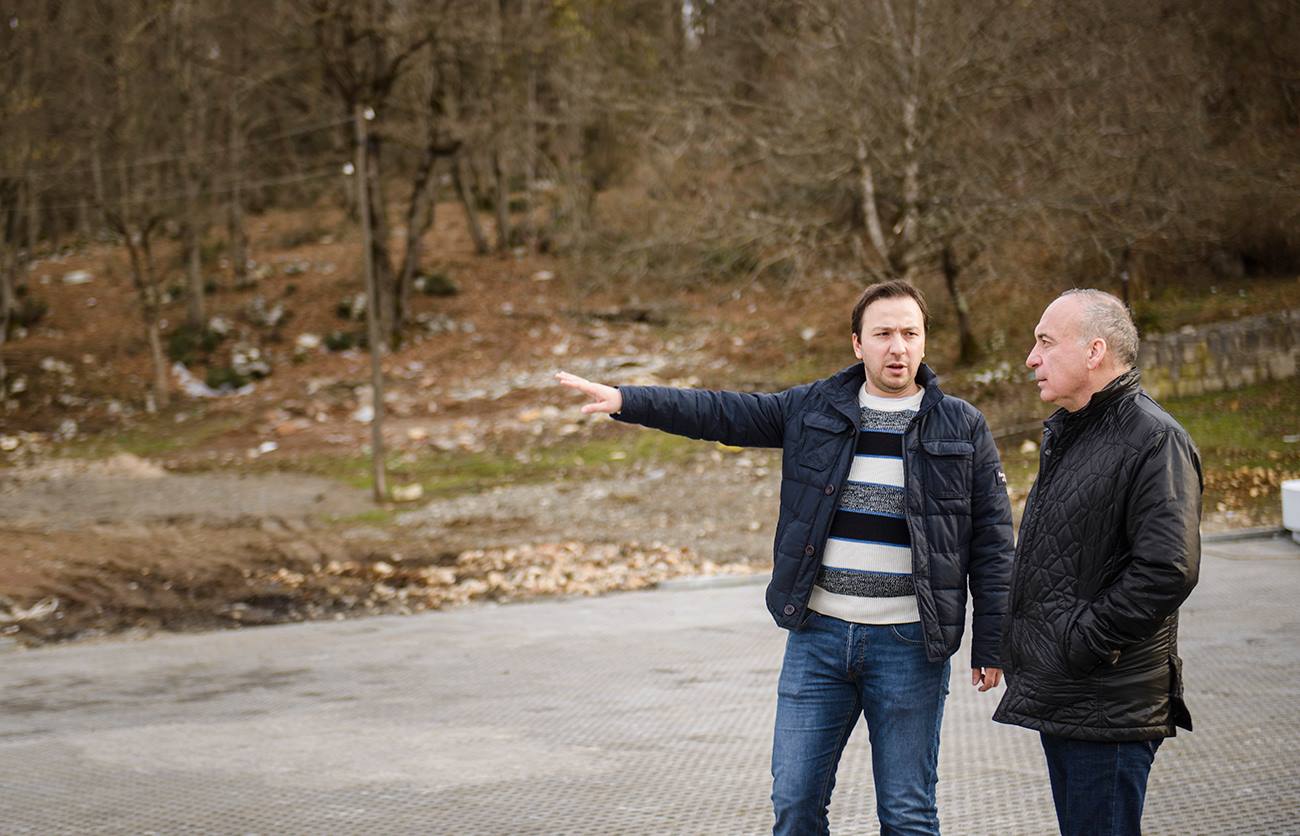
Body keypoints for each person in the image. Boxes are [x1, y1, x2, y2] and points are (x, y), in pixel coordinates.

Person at [557, 280, 1014, 835]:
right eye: (883, 334)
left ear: (924, 341)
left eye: (910, 334)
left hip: (909, 646)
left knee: (907, 813)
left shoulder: (962, 426)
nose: (898, 348)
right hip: (818, 639)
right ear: (857, 344)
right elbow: (721, 413)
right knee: (795, 803)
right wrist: (628, 400)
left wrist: (992, 642)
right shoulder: (812, 408)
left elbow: (993, 544)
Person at [994, 289, 1201, 836]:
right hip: (1069, 694)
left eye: (1045, 342)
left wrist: (1083, 640)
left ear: (1094, 351)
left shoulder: (1154, 439)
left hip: (1107, 702)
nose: (1031, 358)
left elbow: (1168, 568)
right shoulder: (1073, 432)